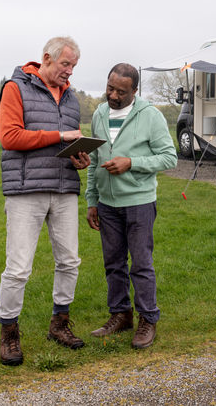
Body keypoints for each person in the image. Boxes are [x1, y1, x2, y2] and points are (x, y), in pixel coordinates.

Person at [0, 36, 91, 366]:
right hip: (26, 191)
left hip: (64, 188)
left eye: (74, 67)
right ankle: (9, 333)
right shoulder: (15, 88)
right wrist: (62, 136)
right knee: (19, 268)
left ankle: (59, 324)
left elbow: (72, 142)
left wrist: (81, 158)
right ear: (46, 59)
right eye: (66, 65)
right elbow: (10, 137)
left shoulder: (71, 98)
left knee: (70, 262)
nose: (70, 72)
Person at [85, 63, 177, 349]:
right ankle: (120, 315)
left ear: (134, 91)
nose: (113, 95)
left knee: (141, 264)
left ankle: (148, 318)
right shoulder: (99, 113)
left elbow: (169, 158)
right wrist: (92, 200)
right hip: (107, 205)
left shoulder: (150, 116)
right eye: (110, 88)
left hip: (139, 203)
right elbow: (95, 160)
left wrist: (132, 163)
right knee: (113, 264)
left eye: (120, 92)